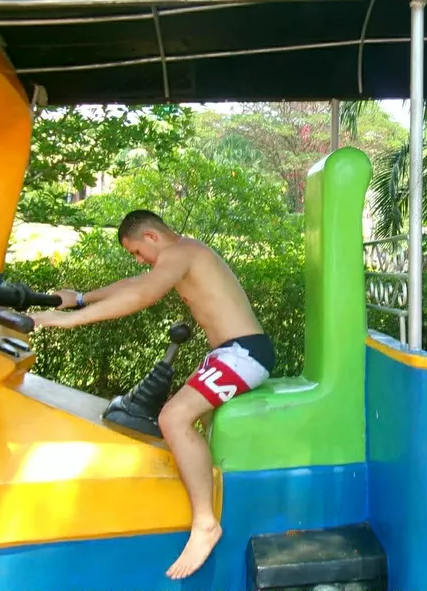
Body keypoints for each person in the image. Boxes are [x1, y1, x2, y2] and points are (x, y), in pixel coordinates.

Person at [29, 210, 275, 581]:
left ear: (151, 236)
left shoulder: (183, 251)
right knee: (191, 420)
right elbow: (133, 284)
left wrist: (68, 320)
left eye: (137, 251)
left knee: (173, 418)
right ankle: (213, 495)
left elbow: (143, 293)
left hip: (245, 354)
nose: (139, 260)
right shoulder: (183, 254)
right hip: (229, 353)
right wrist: (78, 298)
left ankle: (206, 523)